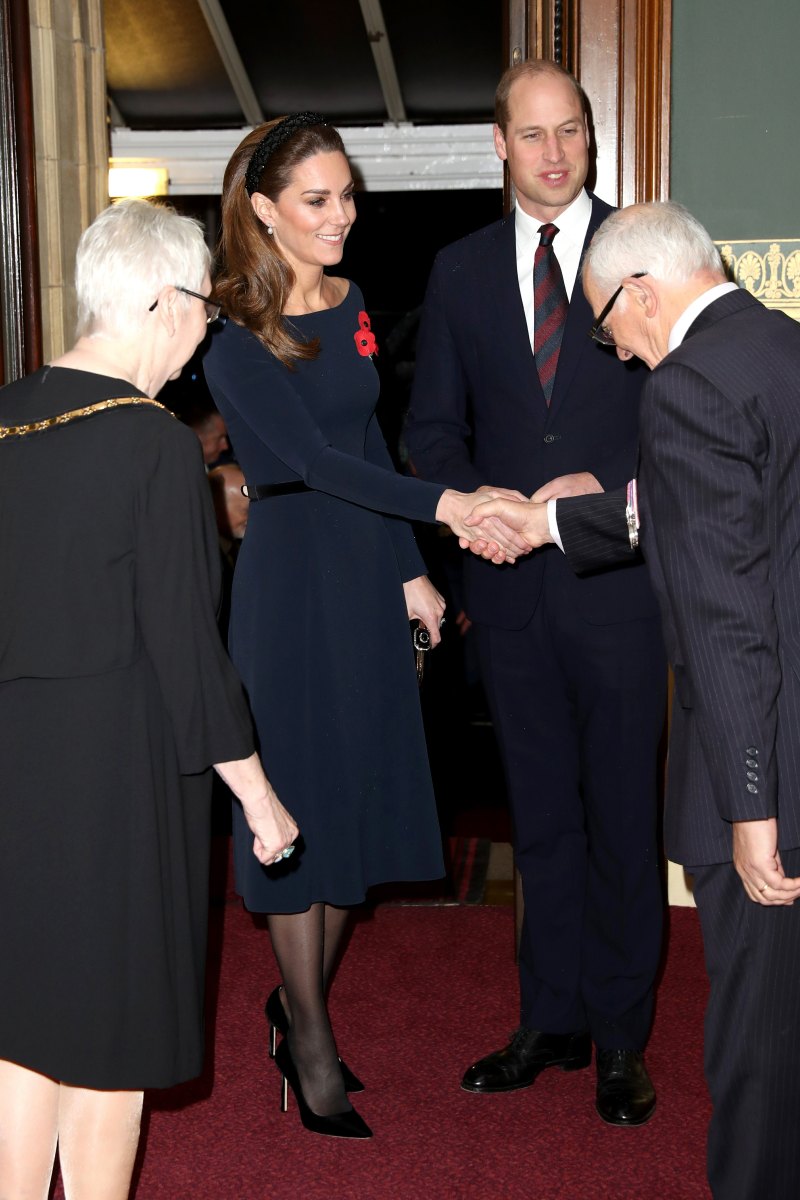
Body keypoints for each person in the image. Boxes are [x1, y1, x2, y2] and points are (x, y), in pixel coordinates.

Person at [202, 112, 526, 1141]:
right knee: (297, 812)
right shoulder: (229, 334)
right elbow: (305, 462)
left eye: (347, 196)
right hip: (290, 589)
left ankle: (290, 1005)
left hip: (362, 572)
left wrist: (408, 580)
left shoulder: (350, 303)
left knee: (355, 803)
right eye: (316, 199)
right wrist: (446, 512)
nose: (341, 216)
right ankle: (308, 1039)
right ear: (261, 209)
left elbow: (371, 440)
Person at [471, 199, 800, 1199]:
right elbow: (727, 509)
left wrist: (751, 808)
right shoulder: (776, 345)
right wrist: (553, 520)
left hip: (762, 760)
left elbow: (727, 615)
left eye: (608, 324)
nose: (614, 354)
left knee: (758, 1053)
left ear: (643, 291)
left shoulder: (684, 387)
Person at [0, 198, 297, 1200]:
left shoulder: (5, 417)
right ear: (162, 302)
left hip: (14, 774)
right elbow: (185, 649)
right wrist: (257, 797)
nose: (200, 340)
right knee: (110, 1029)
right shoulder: (157, 446)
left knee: (22, 1023)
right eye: (203, 317)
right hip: (115, 782)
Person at [403, 59, 667, 1125]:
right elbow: (429, 428)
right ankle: (546, 1020)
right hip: (506, 595)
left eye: (571, 131)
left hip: (618, 587)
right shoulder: (460, 272)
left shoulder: (644, 254)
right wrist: (468, 509)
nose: (553, 152)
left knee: (620, 818)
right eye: (532, 134)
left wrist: (596, 492)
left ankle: (618, 1039)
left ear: (590, 140)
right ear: (498, 146)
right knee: (540, 822)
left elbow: (679, 411)